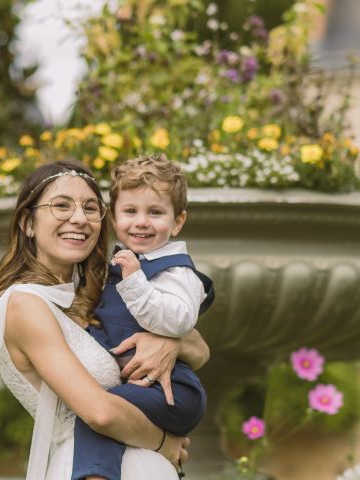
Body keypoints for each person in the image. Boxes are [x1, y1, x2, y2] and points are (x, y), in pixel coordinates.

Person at [0, 159, 211, 480]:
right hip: (87, 469)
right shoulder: (24, 304)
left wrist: (168, 342)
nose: (79, 218)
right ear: (27, 223)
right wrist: (164, 445)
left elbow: (201, 350)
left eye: (90, 207)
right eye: (61, 206)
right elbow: (99, 413)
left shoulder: (99, 292)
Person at [72, 154, 214, 480]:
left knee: (100, 411)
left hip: (173, 392)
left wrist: (135, 281)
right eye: (130, 211)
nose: (141, 222)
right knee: (103, 412)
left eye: (155, 212)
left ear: (177, 222)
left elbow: (179, 321)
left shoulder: (177, 271)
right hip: (144, 388)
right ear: (114, 218)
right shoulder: (117, 264)